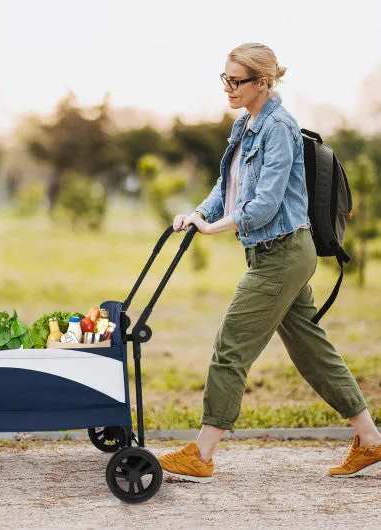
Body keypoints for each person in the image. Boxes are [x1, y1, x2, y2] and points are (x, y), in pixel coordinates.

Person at [158, 42, 381, 482]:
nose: (228, 88)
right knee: (312, 350)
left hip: (282, 254)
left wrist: (215, 228)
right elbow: (229, 187)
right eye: (225, 78)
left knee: (230, 347)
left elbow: (264, 203)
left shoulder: (279, 127)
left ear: (263, 82)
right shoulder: (246, 125)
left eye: (236, 80)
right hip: (273, 253)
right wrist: (200, 213)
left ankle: (201, 455)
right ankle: (372, 441)